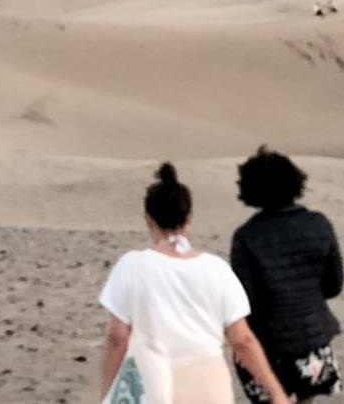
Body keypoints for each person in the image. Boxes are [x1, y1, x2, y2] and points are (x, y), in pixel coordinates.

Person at [99, 164, 292, 404]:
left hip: (150, 381)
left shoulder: (131, 266)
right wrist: (276, 392)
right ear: (189, 218)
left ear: (148, 221)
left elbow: (118, 338)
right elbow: (242, 340)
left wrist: (106, 394)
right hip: (207, 383)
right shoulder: (217, 269)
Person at [231, 146, 344, 403]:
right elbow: (334, 285)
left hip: (267, 345)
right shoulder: (319, 224)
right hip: (312, 338)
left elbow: (243, 300)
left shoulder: (247, 236)